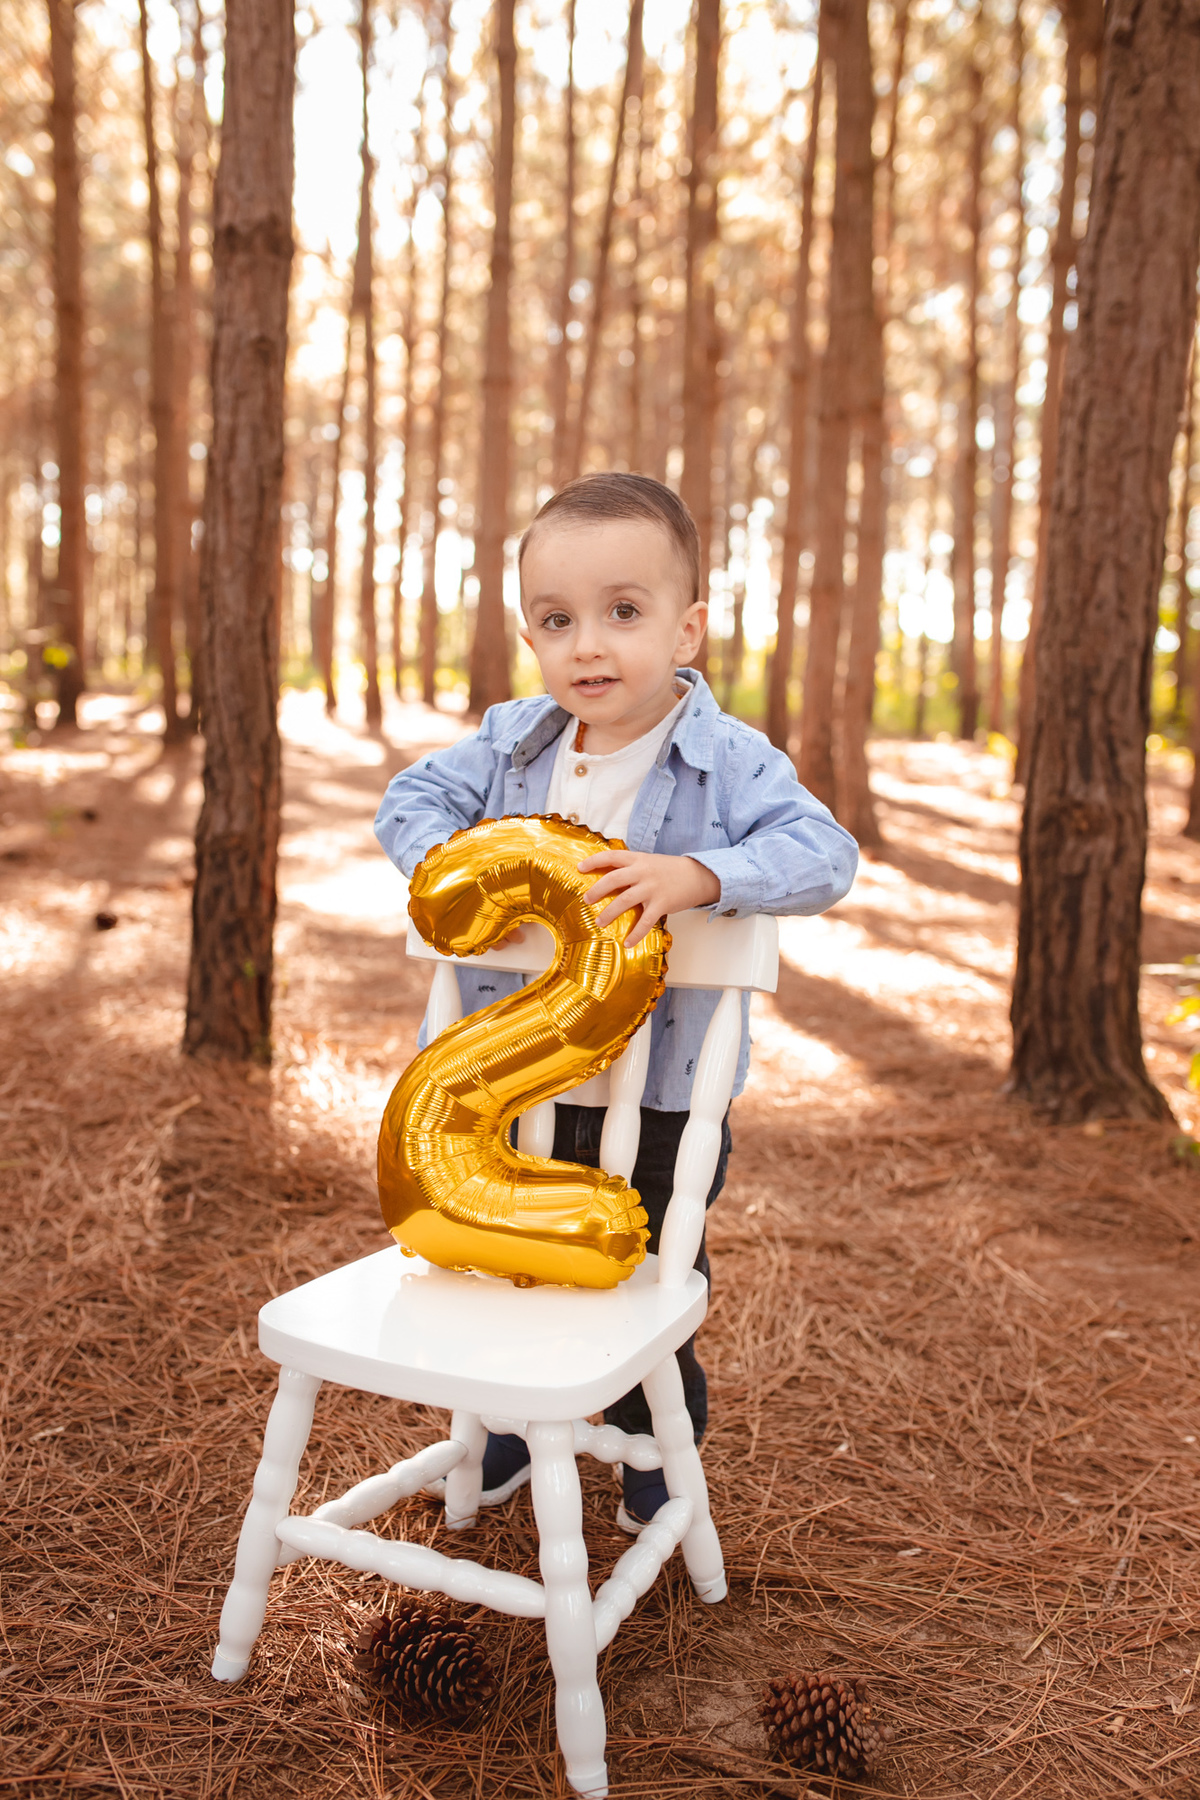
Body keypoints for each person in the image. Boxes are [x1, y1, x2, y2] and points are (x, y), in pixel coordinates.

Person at [374, 471, 857, 1531]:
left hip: (661, 1101)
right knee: (510, 1265)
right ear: (532, 635)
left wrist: (704, 876)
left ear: (686, 628)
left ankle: (652, 1438)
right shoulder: (513, 741)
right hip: (501, 1092)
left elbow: (826, 853)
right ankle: (503, 1424)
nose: (588, 646)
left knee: (630, 1272)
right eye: (558, 620)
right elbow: (411, 798)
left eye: (622, 613)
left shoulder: (728, 762)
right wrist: (450, 880)